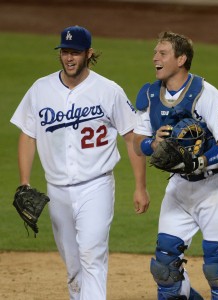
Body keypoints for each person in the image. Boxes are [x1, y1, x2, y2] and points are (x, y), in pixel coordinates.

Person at [10, 25, 150, 300]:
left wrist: (140, 186)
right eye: (65, 52)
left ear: (89, 53)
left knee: (92, 255)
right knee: (74, 266)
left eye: (75, 52)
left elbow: (132, 137)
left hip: (96, 186)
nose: (69, 58)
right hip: (57, 190)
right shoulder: (41, 89)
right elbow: (28, 135)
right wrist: (24, 182)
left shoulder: (108, 90)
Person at [133, 31, 218, 300]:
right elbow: (138, 141)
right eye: (155, 53)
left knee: (217, 267)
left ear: (181, 59)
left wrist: (201, 160)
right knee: (164, 266)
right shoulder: (151, 95)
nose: (155, 58)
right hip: (181, 186)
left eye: (162, 53)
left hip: (217, 185)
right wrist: (152, 145)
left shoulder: (204, 93)